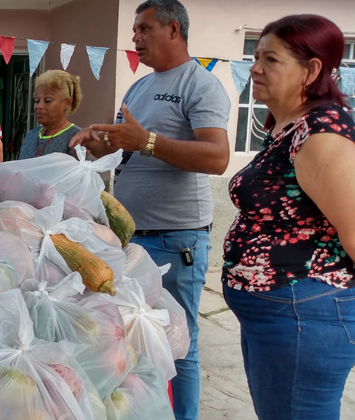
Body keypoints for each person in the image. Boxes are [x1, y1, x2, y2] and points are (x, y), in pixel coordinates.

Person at [69, 1, 230, 419]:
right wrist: (100, 142)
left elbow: (217, 158)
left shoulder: (201, 84)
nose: (135, 38)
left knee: (179, 343)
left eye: (143, 29)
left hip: (176, 240)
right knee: (136, 338)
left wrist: (149, 141)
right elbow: (129, 150)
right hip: (133, 238)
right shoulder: (139, 87)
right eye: (135, 30)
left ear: (173, 30)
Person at [221, 15, 355, 420]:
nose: (255, 68)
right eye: (256, 56)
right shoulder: (289, 127)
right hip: (284, 317)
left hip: (306, 316)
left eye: (271, 59)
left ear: (311, 70)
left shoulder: (321, 135)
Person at [18, 70, 83, 159]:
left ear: (66, 103)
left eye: (47, 100)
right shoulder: (31, 135)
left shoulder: (76, 137)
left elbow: (78, 172)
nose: (39, 106)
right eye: (37, 100)